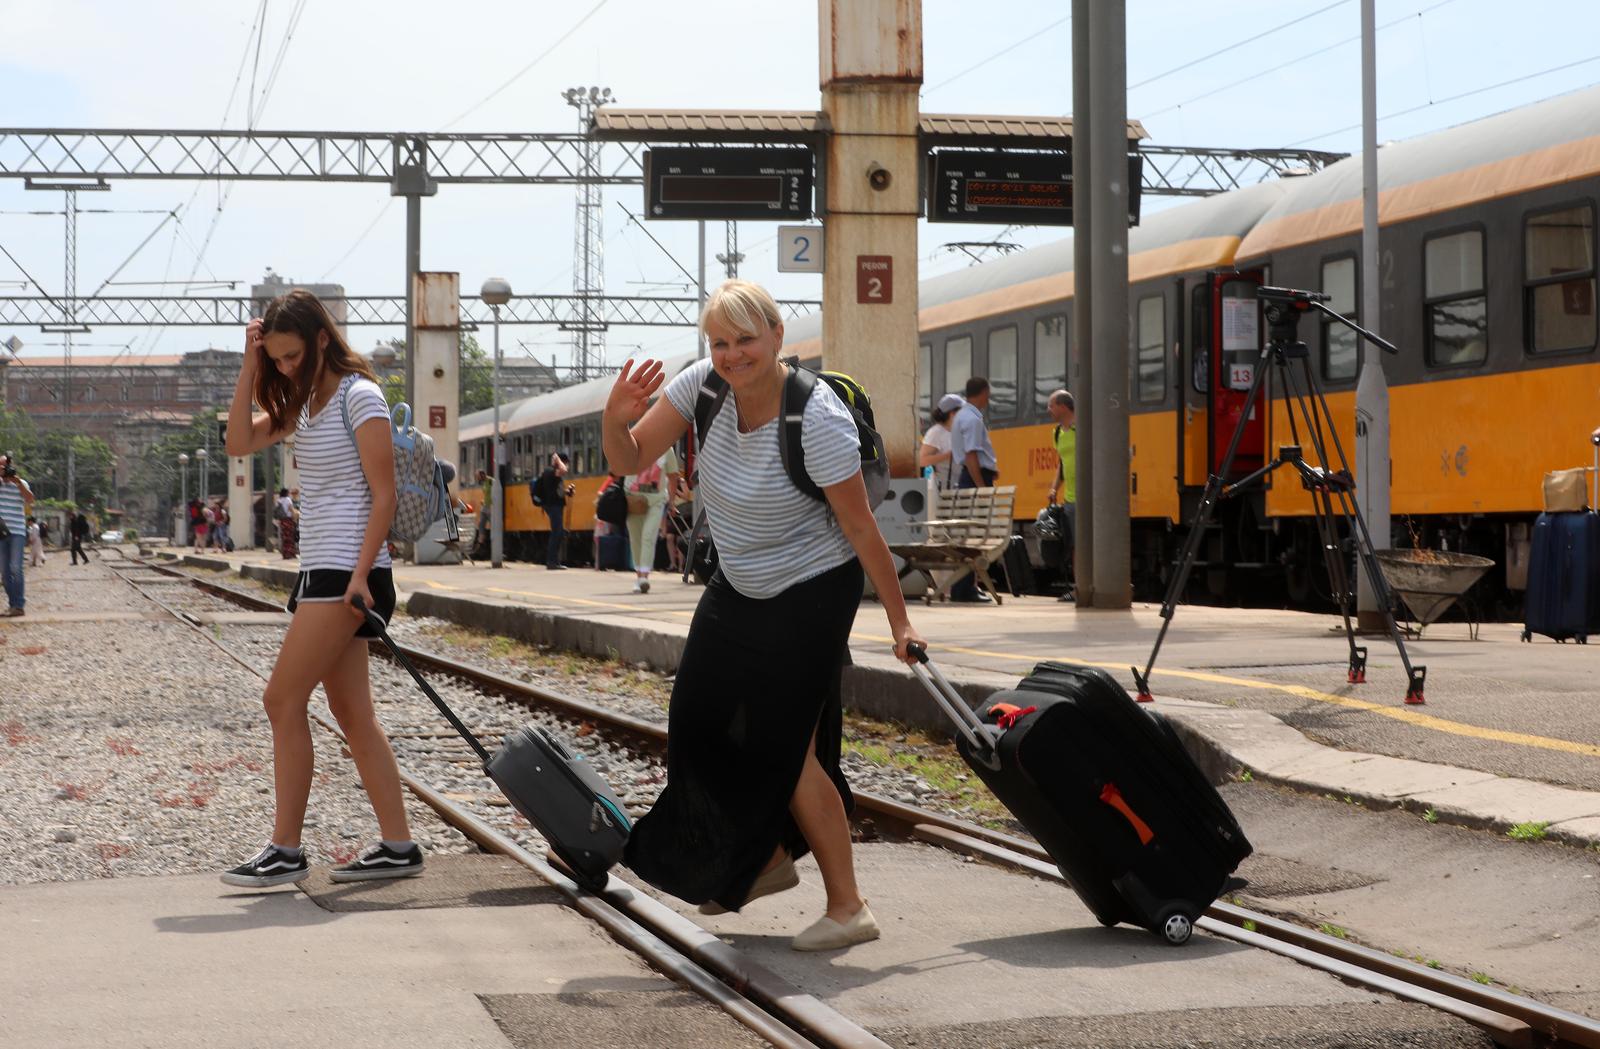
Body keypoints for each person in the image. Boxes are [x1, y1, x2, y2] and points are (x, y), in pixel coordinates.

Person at [602, 279, 927, 952]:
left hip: (812, 587)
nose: (732, 354)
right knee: (694, 722)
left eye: (745, 339)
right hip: (740, 580)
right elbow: (629, 458)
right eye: (719, 342)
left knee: (788, 750)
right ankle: (768, 861)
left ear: (778, 336)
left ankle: (848, 907)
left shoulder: (818, 418)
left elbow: (864, 532)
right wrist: (616, 414)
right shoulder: (704, 387)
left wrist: (900, 623)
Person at [218, 288, 421, 888]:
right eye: (276, 358)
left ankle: (284, 848)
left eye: (290, 356)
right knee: (353, 713)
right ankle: (399, 845)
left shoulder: (361, 397)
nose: (285, 367)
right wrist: (249, 366)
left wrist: (362, 575)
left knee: (281, 699)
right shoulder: (304, 405)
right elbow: (236, 442)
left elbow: (382, 494)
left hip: (349, 575)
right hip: (322, 573)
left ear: (322, 340)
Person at [948, 376, 998, 603]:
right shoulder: (973, 419)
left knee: (968, 535)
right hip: (975, 479)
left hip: (968, 477)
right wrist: (982, 487)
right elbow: (971, 455)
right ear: (984, 392)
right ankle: (966, 589)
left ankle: (965, 588)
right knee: (974, 537)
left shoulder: (961, 416)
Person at [625, 442, 681, 594]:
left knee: (648, 536)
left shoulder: (667, 449)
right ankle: (638, 577)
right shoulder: (634, 442)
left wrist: (671, 501)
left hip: (656, 501)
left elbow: (673, 475)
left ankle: (644, 577)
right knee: (636, 539)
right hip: (632, 500)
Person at [1046, 390, 1077, 601]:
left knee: (1085, 544)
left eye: (1051, 406)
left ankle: (1086, 585)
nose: (1049, 410)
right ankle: (1079, 587)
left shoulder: (1081, 428)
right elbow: (1062, 464)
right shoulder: (1058, 433)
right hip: (1070, 498)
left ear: (1063, 407)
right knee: (1074, 544)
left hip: (1088, 497)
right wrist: (1054, 488)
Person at [0, 456, 32, 616]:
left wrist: (17, 482)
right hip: (1, 534)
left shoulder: (21, 483)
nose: (2, 469)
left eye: (4, 466)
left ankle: (19, 605)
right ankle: (14, 605)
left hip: (17, 531)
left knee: (15, 568)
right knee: (4, 573)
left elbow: (30, 499)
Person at [530, 453, 570, 570]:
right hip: (554, 506)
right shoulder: (551, 471)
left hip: (553, 505)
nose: (567, 465)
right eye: (566, 462)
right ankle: (552, 562)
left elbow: (555, 490)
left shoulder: (550, 473)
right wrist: (558, 460)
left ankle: (554, 561)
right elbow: (564, 470)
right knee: (556, 533)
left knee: (558, 533)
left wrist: (567, 492)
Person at [918, 394, 963, 489]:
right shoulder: (936, 432)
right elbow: (922, 460)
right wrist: (947, 456)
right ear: (952, 414)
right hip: (944, 491)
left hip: (959, 488)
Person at [273, 487, 298, 559]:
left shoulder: (279, 500)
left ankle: (285, 554)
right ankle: (290, 554)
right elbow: (291, 509)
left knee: (284, 537)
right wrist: (295, 517)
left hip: (282, 521)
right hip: (288, 520)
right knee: (290, 537)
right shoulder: (288, 499)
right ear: (286, 493)